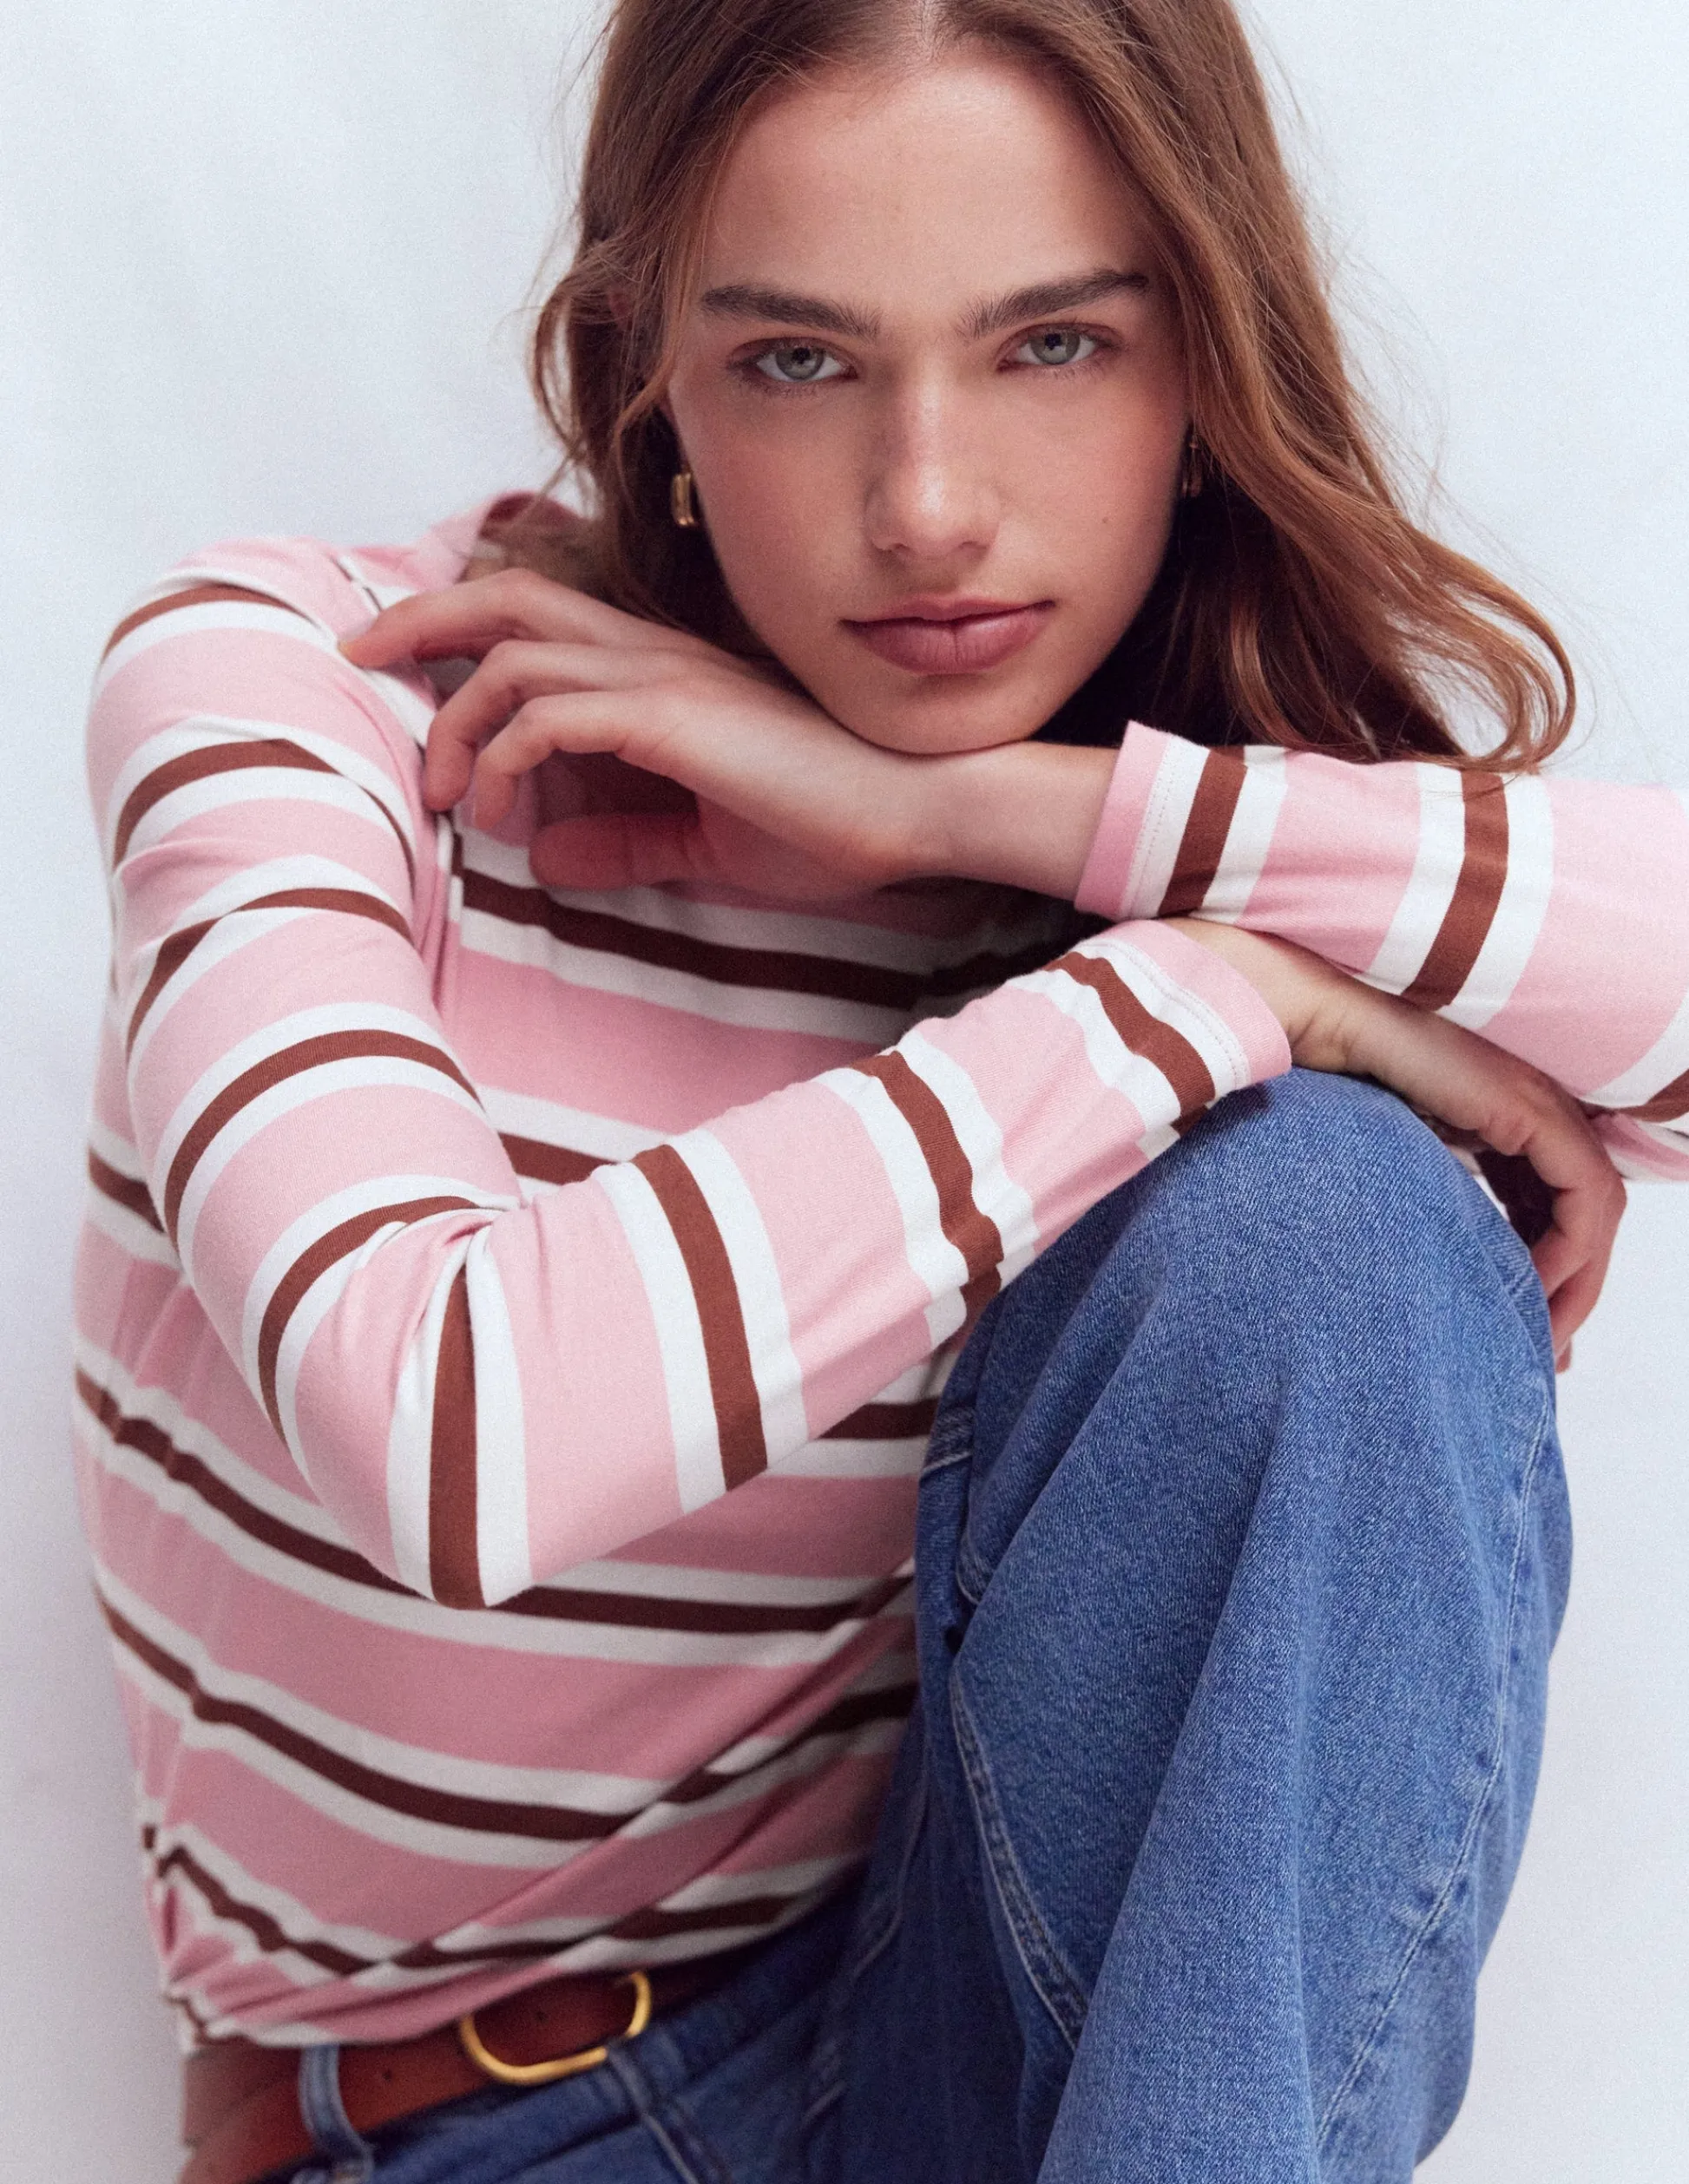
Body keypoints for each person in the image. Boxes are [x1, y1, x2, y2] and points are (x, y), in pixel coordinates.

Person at [74, 1, 1687, 2179]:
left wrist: (981, 819)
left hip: (978, 2069)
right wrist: (1204, 988)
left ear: (1203, 378)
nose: (927, 508)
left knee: (1326, 1216)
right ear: (648, 373)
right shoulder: (324, 692)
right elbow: (444, 1428)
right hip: (460, 2133)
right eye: (798, 362)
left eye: (1054, 346)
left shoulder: (1168, 825)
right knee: (1302, 1132)